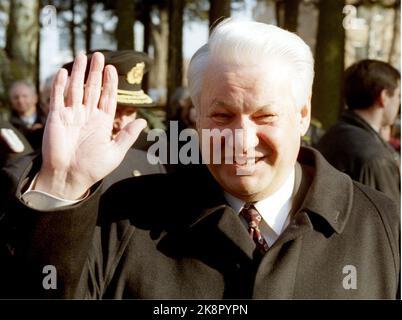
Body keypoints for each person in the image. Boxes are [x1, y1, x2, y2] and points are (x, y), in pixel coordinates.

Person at [3, 20, 399, 299]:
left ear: (301, 114)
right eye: (222, 116)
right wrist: (63, 184)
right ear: (196, 114)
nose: (241, 140)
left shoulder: (383, 225)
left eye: (265, 116)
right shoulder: (125, 217)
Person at [62, 50, 166, 191]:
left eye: (130, 112)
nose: (122, 124)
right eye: (115, 111)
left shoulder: (150, 164)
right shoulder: (47, 167)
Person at [317, 59, 400, 203]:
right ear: (384, 97)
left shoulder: (333, 134)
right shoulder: (375, 158)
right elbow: (389, 221)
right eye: (398, 96)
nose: (399, 103)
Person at [8, 81, 46, 150]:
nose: (20, 100)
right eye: (16, 97)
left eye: (24, 96)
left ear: (35, 98)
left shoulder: (49, 121)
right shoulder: (9, 128)